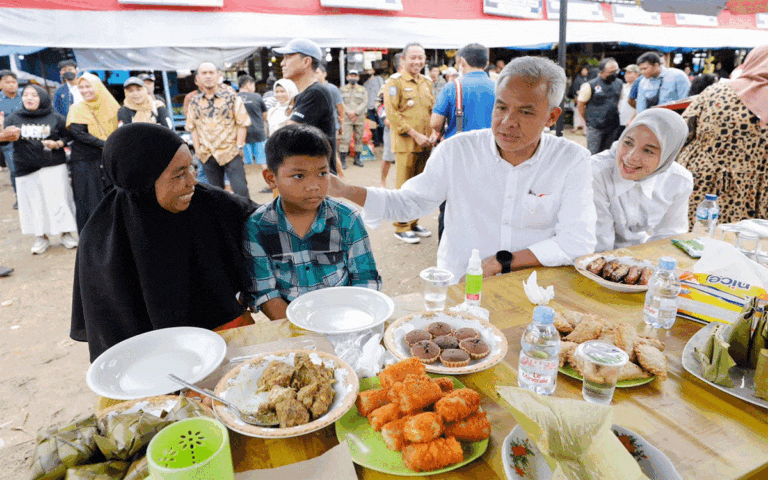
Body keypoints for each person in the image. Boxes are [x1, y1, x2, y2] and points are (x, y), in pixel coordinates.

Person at [330, 56, 597, 282]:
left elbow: (577, 240)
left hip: (531, 286)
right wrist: (344, 189)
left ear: (551, 117)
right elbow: (409, 202)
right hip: (460, 285)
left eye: (525, 112)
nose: (507, 122)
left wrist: (502, 262)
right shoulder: (457, 151)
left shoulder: (572, 160)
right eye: (501, 107)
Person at [70, 123, 258, 362]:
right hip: (152, 358)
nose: (193, 181)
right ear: (142, 180)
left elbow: (267, 220)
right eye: (179, 174)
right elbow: (112, 332)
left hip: (228, 337)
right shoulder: (102, 241)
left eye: (192, 167)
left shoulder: (209, 203)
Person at [244, 124, 381, 321]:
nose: (313, 186)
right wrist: (303, 333)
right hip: (292, 324)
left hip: (345, 317)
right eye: (299, 176)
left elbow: (366, 280)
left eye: (322, 173)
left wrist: (348, 323)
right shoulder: (257, 227)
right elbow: (266, 293)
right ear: (271, 178)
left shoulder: (347, 219)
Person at [676, 45, 768, 226]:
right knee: (742, 244)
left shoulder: (717, 91)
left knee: (694, 239)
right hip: (753, 191)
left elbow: (683, 131)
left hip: (702, 182)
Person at [591, 109, 692, 252]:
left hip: (641, 256)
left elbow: (669, 237)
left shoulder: (678, 181)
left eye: (648, 151)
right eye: (628, 142)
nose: (631, 157)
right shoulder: (596, 172)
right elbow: (600, 244)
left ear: (667, 155)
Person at [430, 43, 496, 242]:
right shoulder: (500, 87)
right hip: (492, 155)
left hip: (458, 157)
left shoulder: (453, 88)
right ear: (486, 63)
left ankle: (447, 253)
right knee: (485, 207)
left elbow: (436, 123)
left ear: (462, 62)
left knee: (450, 207)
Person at [2, 85, 78, 254]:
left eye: (34, 95)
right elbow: (5, 141)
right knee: (33, 203)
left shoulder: (56, 117)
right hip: (25, 167)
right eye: (26, 95)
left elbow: (68, 136)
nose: (29, 98)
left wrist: (58, 144)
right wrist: (4, 135)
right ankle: (41, 237)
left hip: (53, 166)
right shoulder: (13, 118)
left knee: (59, 200)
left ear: (42, 98)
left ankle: (65, 233)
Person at [383, 42, 435, 244]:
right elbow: (393, 115)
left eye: (420, 57)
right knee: (405, 186)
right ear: (403, 59)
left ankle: (413, 222)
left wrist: (432, 133)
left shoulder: (426, 82)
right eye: (412, 57)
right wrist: (415, 134)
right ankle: (401, 226)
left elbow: (431, 112)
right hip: (406, 144)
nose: (417, 61)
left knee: (421, 186)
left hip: (425, 143)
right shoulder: (394, 82)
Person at [185, 62, 251, 199]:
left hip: (231, 151)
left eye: (211, 72)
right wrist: (197, 149)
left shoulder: (232, 98)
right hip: (208, 154)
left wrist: (239, 145)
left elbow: (242, 123)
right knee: (216, 195)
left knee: (241, 191)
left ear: (218, 75)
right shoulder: (194, 102)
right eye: (204, 73)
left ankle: (247, 219)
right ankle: (222, 220)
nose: (208, 76)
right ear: (198, 77)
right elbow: (193, 128)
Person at [275, 38, 339, 175]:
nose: (282, 63)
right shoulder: (304, 94)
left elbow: (288, 136)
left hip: (317, 179)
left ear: (306, 62)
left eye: (288, 57)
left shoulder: (315, 93)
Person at [66, 72, 120, 233]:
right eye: (81, 87)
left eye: (88, 86)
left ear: (97, 87)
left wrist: (109, 146)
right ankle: (90, 237)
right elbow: (78, 133)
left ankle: (112, 234)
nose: (84, 90)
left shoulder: (111, 106)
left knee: (110, 197)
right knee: (88, 199)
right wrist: (105, 144)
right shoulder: (77, 109)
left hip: (106, 160)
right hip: (85, 162)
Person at [578, 58, 623, 155]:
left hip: (613, 125)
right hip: (595, 126)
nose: (614, 74)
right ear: (602, 72)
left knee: (609, 154)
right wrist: (586, 122)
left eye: (616, 71)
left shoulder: (619, 83)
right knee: (593, 154)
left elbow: (618, 100)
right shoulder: (590, 85)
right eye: (611, 72)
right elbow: (581, 105)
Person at [237, 74, 270, 192]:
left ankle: (240, 188)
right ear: (247, 84)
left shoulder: (234, 98)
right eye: (253, 84)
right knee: (263, 161)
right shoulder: (256, 97)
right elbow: (265, 115)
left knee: (240, 163)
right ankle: (270, 185)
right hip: (258, 133)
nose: (254, 87)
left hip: (241, 136)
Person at [314, 64, 345, 172]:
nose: (315, 75)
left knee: (331, 153)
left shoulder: (332, 89)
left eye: (317, 72)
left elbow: (341, 108)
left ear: (324, 74)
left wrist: (342, 125)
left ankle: (341, 177)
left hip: (331, 125)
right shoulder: (313, 88)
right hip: (316, 126)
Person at [379, 53, 403, 188]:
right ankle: (382, 181)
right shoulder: (388, 83)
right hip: (391, 125)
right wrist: (384, 118)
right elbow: (379, 103)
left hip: (408, 125)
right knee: (388, 157)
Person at [0, 70, 22, 207]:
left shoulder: (25, 96)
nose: (11, 85)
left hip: (28, 138)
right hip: (8, 141)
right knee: (15, 169)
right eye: (7, 82)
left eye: (14, 82)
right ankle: (19, 196)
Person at [340, 69, 368, 168]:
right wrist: (349, 112)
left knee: (359, 139)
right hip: (347, 118)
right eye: (351, 75)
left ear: (358, 78)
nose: (353, 77)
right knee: (345, 139)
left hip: (359, 118)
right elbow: (341, 103)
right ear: (347, 77)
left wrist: (355, 113)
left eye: (355, 76)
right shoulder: (342, 89)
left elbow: (364, 103)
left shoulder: (363, 90)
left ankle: (357, 159)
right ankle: (342, 161)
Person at [364, 67, 385, 146]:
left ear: (373, 71)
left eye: (369, 70)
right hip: (369, 107)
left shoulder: (378, 79)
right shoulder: (365, 84)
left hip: (379, 105)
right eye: (366, 70)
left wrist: (381, 101)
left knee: (382, 124)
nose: (368, 72)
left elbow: (383, 89)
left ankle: (384, 141)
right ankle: (376, 142)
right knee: (373, 125)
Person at [618, 64, 639, 135]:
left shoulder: (640, 87)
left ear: (637, 74)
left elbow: (638, 105)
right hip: (620, 120)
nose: (626, 75)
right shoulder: (623, 87)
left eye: (629, 73)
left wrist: (631, 119)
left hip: (632, 121)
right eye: (625, 73)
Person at [569, 65, 590, 134]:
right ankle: (576, 126)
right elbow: (574, 88)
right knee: (577, 112)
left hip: (586, 98)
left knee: (584, 113)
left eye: (586, 70)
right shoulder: (577, 79)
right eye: (583, 70)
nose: (584, 71)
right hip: (578, 97)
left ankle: (583, 128)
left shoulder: (588, 79)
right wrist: (577, 94)